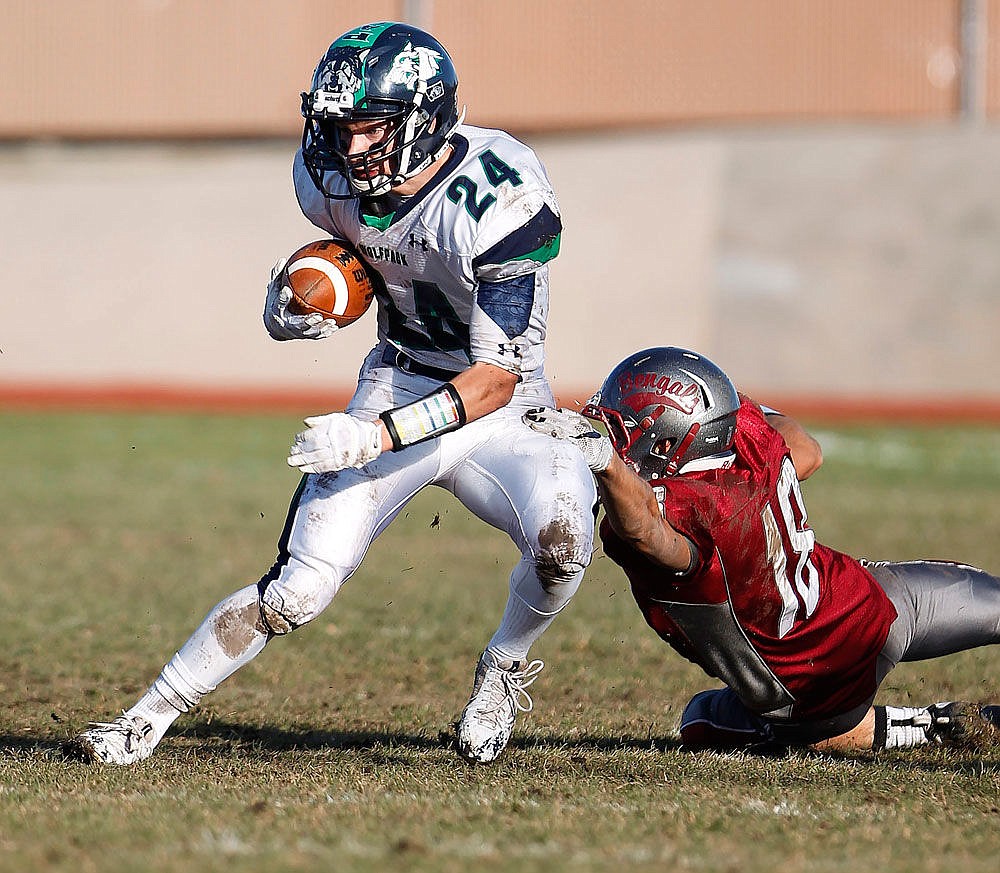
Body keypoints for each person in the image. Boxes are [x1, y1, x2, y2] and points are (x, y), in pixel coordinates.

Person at [67, 21, 596, 766]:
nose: (349, 149)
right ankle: (147, 715)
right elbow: (360, 265)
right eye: (340, 127)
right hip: (401, 371)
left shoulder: (500, 194)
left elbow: (494, 378)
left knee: (564, 547)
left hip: (502, 406)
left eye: (371, 129)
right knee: (297, 591)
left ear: (424, 119)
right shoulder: (326, 181)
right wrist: (291, 305)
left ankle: (504, 667)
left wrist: (376, 436)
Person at [524, 346, 1000, 754]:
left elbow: (650, 532)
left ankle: (921, 726)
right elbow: (807, 451)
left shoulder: (695, 514)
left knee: (702, 717)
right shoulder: (748, 441)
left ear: (668, 440)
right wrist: (729, 403)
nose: (614, 437)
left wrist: (606, 463)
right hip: (868, 599)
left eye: (624, 428)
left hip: (815, 686)